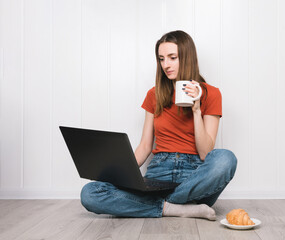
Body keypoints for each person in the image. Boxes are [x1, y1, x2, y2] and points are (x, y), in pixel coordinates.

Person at [80, 30, 237, 220]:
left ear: (187, 57)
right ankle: (175, 208)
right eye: (161, 59)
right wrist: (114, 172)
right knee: (90, 192)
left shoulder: (211, 94)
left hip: (195, 177)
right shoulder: (153, 95)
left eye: (172, 58)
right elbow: (145, 146)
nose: (165, 65)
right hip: (159, 173)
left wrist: (196, 110)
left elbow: (205, 153)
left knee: (226, 158)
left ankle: (159, 204)